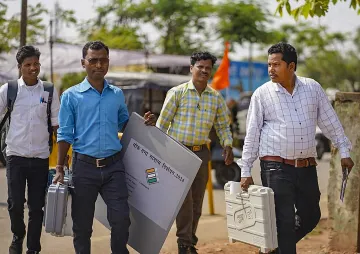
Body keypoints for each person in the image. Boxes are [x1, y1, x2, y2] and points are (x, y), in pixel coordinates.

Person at [238, 42, 354, 254]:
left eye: (276, 64)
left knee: (311, 216)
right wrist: (245, 170)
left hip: (307, 166)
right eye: (269, 65)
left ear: (291, 66)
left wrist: (344, 150)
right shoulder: (262, 94)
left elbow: (330, 122)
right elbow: (252, 134)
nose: (271, 69)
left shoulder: (313, 89)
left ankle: (276, 247)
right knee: (284, 219)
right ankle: (282, 246)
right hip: (275, 166)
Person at [53, 41, 155, 254]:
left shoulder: (116, 94)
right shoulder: (71, 96)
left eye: (103, 60)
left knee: (121, 219)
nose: (99, 65)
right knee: (82, 226)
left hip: (113, 167)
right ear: (84, 63)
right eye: (93, 60)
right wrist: (60, 168)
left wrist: (144, 123)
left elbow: (124, 123)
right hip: (84, 168)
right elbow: (64, 134)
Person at [156, 51, 234, 254]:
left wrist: (227, 145)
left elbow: (223, 126)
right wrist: (159, 154)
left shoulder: (215, 98)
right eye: (200, 67)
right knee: (184, 202)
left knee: (197, 202)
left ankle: (190, 242)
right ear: (191, 68)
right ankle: (184, 243)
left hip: (201, 154)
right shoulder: (177, 92)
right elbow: (161, 125)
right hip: (178, 152)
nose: (204, 71)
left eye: (208, 68)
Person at [0, 46, 60, 254]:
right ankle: (18, 235)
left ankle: (33, 248)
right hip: (15, 156)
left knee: (36, 207)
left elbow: (57, 125)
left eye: (36, 64)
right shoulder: (9, 90)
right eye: (27, 65)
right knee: (15, 204)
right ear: (20, 67)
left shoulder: (49, 90)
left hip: (40, 158)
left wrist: (61, 161)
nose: (33, 68)